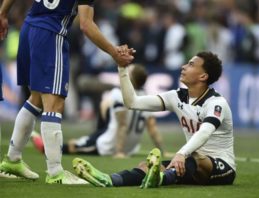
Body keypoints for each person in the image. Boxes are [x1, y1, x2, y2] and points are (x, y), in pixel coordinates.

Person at [0, 0, 134, 184]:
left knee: (36, 98)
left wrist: (3, 13)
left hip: (29, 27)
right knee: (55, 103)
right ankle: (55, 173)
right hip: (51, 34)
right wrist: (114, 52)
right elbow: (86, 25)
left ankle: (12, 160)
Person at [72, 51, 236, 188]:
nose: (183, 66)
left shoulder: (216, 103)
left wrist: (181, 154)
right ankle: (109, 179)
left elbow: (205, 132)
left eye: (191, 65)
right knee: (145, 166)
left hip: (222, 167)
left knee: (197, 158)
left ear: (203, 76)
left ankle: (161, 179)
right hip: (187, 163)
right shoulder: (176, 97)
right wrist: (122, 69)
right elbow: (132, 102)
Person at [31, 64, 164, 158]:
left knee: (75, 146)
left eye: (129, 70)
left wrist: (118, 152)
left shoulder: (119, 93)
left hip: (109, 146)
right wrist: (162, 150)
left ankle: (46, 148)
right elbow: (153, 129)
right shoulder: (147, 97)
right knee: (101, 118)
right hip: (130, 148)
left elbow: (122, 125)